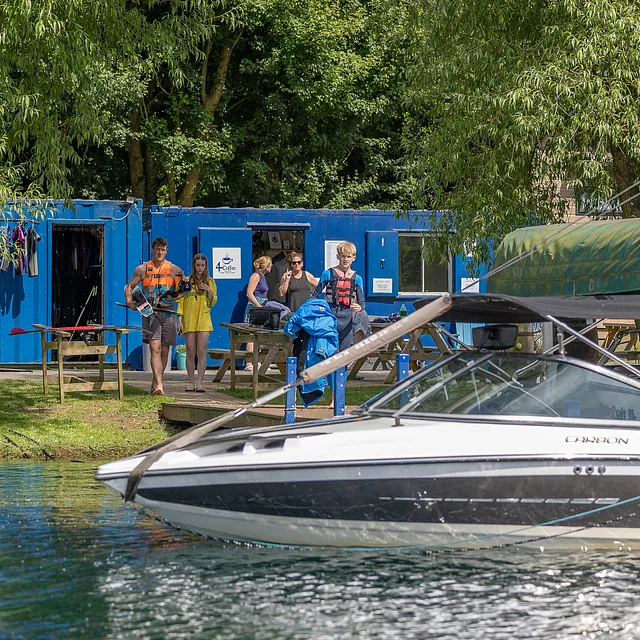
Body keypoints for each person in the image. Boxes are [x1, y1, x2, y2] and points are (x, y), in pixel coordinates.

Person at [125, 237, 184, 396]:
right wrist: (130, 301)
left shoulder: (174, 269)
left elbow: (185, 288)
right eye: (157, 249)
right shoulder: (142, 269)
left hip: (168, 312)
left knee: (165, 350)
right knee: (155, 347)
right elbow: (129, 287)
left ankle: (157, 380)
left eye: (163, 249)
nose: (160, 252)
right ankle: (159, 385)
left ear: (166, 251)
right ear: (152, 250)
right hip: (149, 312)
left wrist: (176, 297)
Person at [313, 241, 365, 351]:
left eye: (348, 256)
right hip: (330, 316)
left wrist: (360, 307)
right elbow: (315, 295)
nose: (345, 259)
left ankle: (344, 368)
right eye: (343, 256)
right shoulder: (328, 274)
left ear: (353, 258)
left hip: (347, 318)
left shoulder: (357, 278)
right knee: (330, 350)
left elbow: (362, 303)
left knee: (345, 351)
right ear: (338, 256)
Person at [177, 253, 217, 392]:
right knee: (190, 351)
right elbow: (180, 301)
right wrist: (179, 320)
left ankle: (200, 382)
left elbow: (213, 302)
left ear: (206, 266)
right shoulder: (187, 281)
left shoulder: (210, 281)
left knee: (201, 351)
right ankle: (190, 381)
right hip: (189, 318)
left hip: (204, 319)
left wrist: (208, 290)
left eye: (202, 265)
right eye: (198, 265)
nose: (200, 268)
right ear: (194, 266)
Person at [243, 255, 272, 372]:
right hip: (255, 308)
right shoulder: (255, 276)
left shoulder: (263, 277)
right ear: (265, 266)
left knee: (259, 335)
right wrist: (258, 306)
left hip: (262, 306)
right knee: (251, 336)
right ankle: (249, 363)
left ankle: (258, 361)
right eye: (270, 264)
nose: (271, 267)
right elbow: (249, 293)